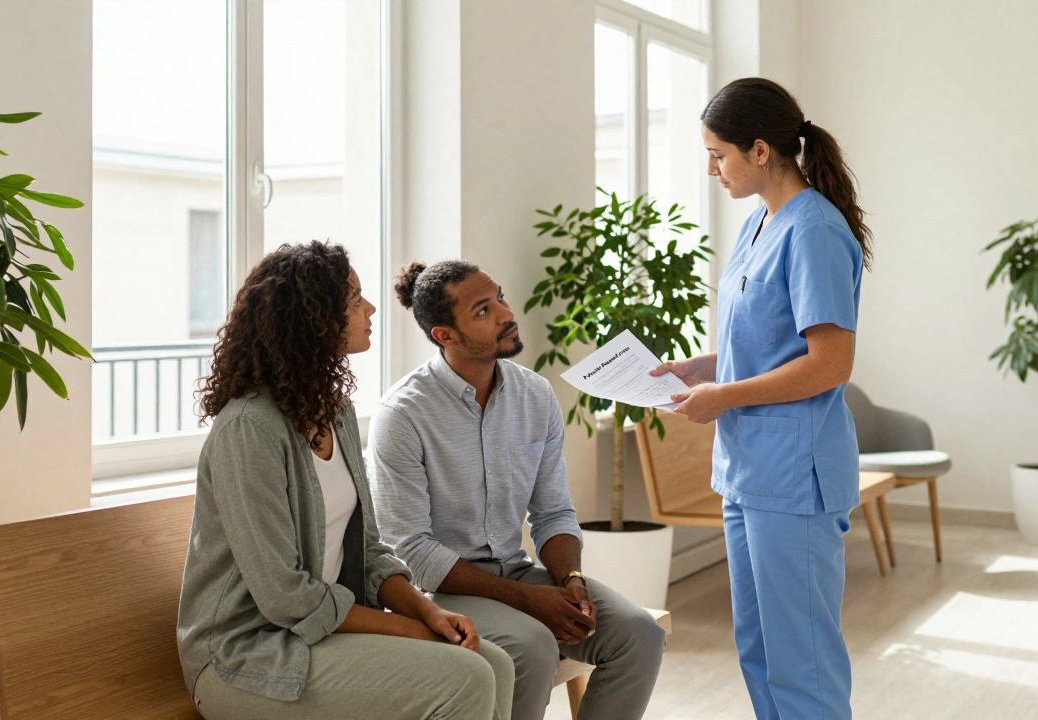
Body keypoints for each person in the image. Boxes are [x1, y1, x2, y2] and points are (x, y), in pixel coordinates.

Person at [177, 242, 513, 720]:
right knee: (467, 677)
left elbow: (369, 550)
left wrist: (427, 612)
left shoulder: (336, 411)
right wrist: (408, 631)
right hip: (247, 654)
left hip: (318, 635)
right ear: (311, 321)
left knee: (495, 663)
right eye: (355, 300)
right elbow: (284, 595)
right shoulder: (249, 428)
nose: (370, 308)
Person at [652, 77, 872, 720]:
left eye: (719, 155)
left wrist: (724, 397)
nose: (713, 169)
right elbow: (770, 344)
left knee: (800, 659)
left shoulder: (815, 231)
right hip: (747, 470)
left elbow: (830, 363)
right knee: (759, 649)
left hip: (793, 474)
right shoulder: (759, 225)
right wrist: (700, 369)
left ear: (758, 150)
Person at [368, 260, 666, 720]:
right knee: (530, 647)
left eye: (501, 297)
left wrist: (571, 581)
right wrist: (528, 600)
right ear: (444, 335)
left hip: (516, 572)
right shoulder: (402, 415)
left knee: (639, 634)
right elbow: (411, 551)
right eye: (484, 310)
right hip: (438, 593)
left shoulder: (535, 395)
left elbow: (552, 512)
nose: (507, 313)